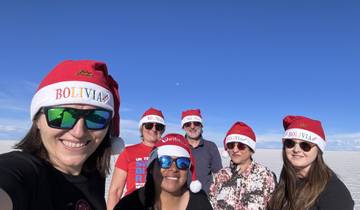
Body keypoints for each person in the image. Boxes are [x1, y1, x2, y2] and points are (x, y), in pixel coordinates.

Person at [0, 60, 120, 210]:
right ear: (37, 120)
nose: (79, 132)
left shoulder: (94, 175)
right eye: (62, 116)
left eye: (96, 118)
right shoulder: (23, 171)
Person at [268, 115, 354, 210]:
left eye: (305, 145)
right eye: (290, 143)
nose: (296, 150)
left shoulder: (334, 192)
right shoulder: (287, 178)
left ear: (318, 150)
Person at [114, 133, 213, 210]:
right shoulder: (130, 205)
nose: (174, 168)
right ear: (151, 168)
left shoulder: (200, 202)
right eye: (165, 161)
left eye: (182, 162)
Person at [107, 108, 166, 210]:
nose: (154, 129)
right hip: (134, 204)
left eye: (158, 126)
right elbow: (115, 191)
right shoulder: (128, 152)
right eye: (149, 125)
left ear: (162, 130)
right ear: (141, 128)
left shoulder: (168, 152)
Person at [209, 121, 276, 210]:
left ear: (251, 149)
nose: (235, 150)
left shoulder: (266, 176)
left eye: (241, 146)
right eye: (231, 145)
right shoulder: (220, 176)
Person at [181, 109, 222, 194]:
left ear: (201, 125)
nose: (192, 127)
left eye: (196, 123)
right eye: (188, 124)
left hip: (205, 198)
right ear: (183, 127)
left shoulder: (211, 146)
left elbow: (218, 174)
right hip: (181, 198)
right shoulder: (178, 146)